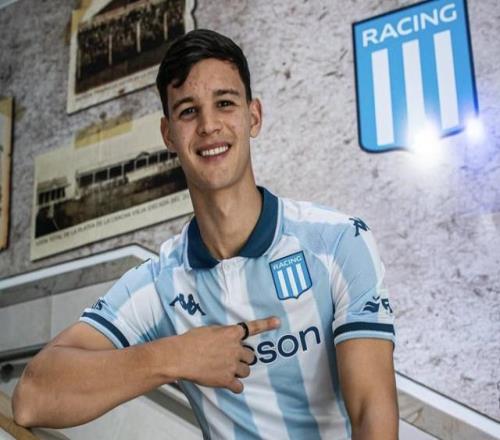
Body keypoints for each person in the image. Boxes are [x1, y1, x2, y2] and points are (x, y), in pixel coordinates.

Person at [12, 29, 398, 439]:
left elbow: (371, 413)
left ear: (253, 116)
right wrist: (176, 356)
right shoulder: (160, 285)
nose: (209, 125)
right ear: (168, 135)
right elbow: (31, 398)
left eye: (225, 103)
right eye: (188, 111)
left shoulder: (338, 241)